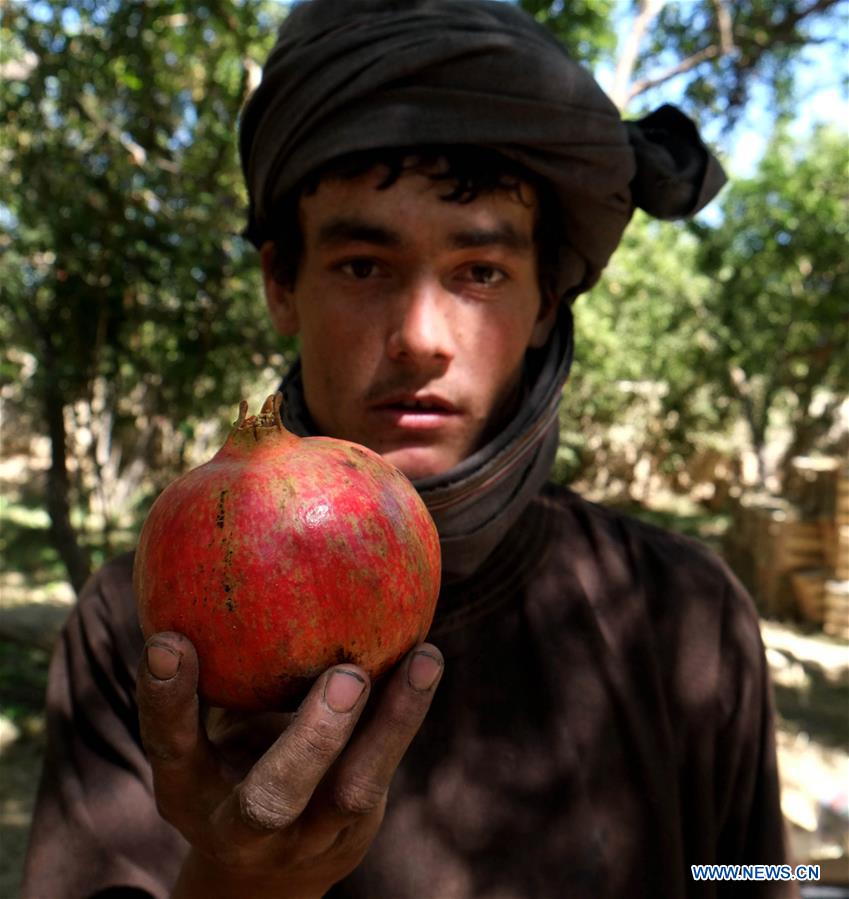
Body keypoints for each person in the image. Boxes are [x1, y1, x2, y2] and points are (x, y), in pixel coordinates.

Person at [22, 1, 797, 897]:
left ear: (546, 299)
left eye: (480, 272)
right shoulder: (139, 627)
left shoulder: (689, 614)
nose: (421, 336)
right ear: (282, 283)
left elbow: (748, 870)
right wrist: (236, 885)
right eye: (362, 265)